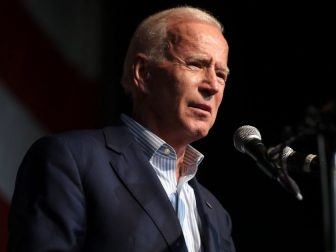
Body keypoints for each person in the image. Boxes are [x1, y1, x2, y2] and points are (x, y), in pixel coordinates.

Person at [7, 5, 235, 252]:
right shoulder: (70, 160)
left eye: (221, 74)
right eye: (195, 64)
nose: (212, 85)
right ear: (143, 73)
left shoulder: (216, 216)